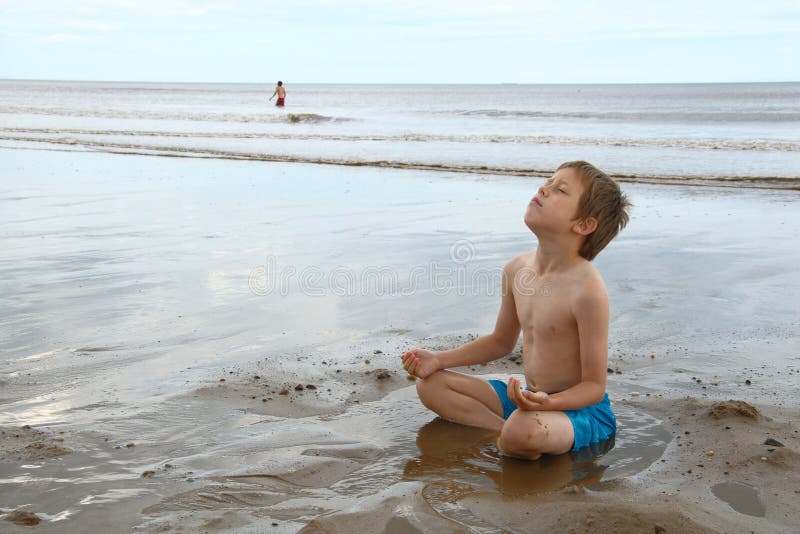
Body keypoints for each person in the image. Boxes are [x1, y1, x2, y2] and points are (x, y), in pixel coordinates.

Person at [401, 161, 631, 460]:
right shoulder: (516, 270)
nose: (543, 188)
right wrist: (439, 359)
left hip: (577, 410)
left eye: (560, 189)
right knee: (430, 385)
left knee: (525, 430)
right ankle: (502, 431)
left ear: (584, 225)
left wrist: (547, 405)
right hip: (529, 400)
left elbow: (594, 387)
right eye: (548, 181)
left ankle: (515, 433)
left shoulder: (587, 291)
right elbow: (501, 342)